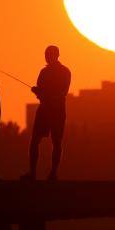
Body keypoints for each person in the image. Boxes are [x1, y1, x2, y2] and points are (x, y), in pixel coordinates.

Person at [22, 45, 71, 181]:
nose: (46, 57)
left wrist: (41, 93)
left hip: (53, 110)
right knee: (38, 141)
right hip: (50, 109)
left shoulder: (60, 72)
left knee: (54, 141)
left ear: (55, 55)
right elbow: (45, 92)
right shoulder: (57, 72)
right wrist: (38, 92)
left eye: (48, 54)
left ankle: (50, 173)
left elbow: (62, 92)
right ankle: (37, 173)